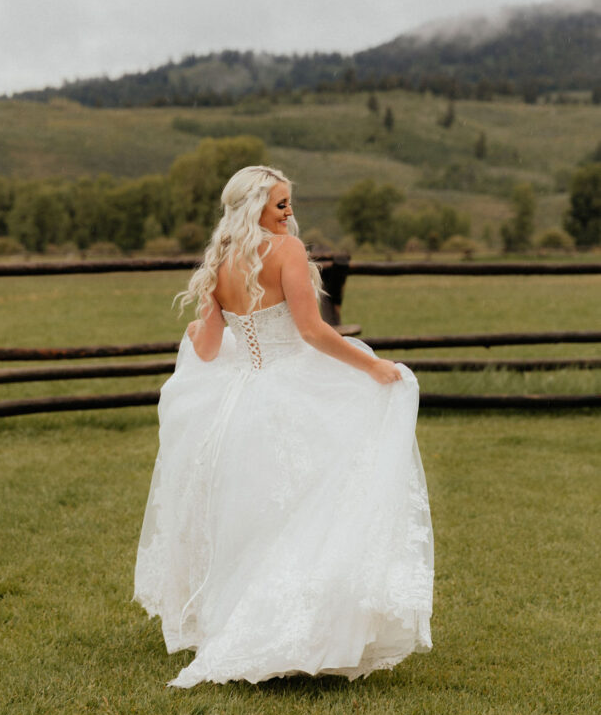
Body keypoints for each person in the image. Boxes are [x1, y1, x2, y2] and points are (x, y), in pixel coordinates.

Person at [134, 165, 433, 688]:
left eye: (289, 202)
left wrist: (201, 319)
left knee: (255, 518)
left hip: (236, 403)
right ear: (254, 207)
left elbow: (205, 350)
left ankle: (242, 622)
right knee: (308, 506)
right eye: (280, 204)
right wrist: (373, 367)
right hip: (290, 389)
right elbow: (313, 331)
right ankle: (294, 629)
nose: (289, 212)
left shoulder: (219, 263)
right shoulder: (287, 252)